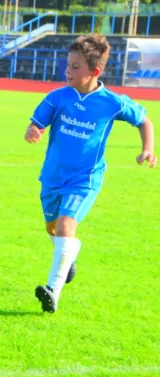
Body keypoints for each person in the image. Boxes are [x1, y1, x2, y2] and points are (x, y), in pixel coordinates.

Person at [25, 33, 156, 313]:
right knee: (53, 229)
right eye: (68, 65)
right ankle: (68, 253)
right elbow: (37, 122)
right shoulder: (57, 97)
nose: (67, 71)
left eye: (75, 67)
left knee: (64, 226)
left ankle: (53, 290)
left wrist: (148, 149)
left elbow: (144, 120)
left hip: (84, 180)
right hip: (52, 177)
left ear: (94, 72)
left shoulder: (112, 102)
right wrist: (33, 130)